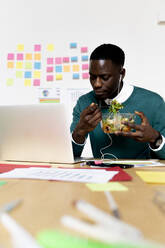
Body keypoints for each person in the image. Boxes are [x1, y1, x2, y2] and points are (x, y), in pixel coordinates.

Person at [70, 44, 165, 159]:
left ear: (122, 74)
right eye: (92, 77)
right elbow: (68, 157)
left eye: (104, 77)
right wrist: (80, 131)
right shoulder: (85, 103)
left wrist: (155, 138)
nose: (97, 84)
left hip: (141, 174)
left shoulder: (153, 102)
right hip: (101, 174)